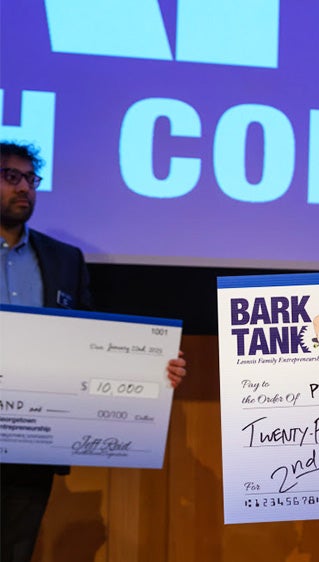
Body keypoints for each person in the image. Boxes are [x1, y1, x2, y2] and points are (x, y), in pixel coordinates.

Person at [0, 141, 188, 562]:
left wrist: (154, 369)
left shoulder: (63, 259)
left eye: (31, 179)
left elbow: (88, 344)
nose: (25, 188)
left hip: (31, 444)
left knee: (15, 550)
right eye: (11, 177)